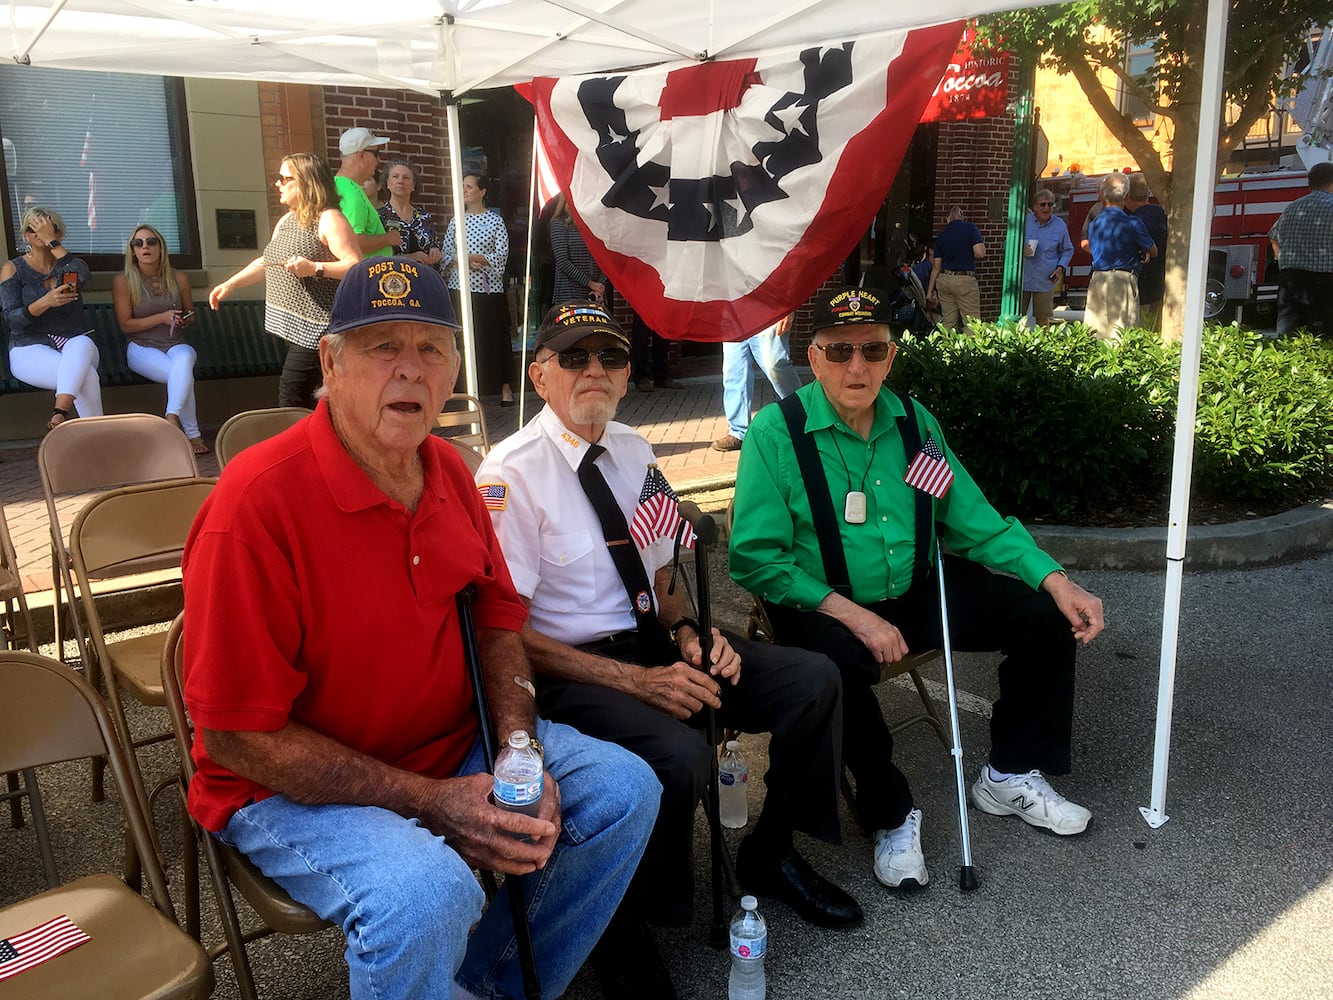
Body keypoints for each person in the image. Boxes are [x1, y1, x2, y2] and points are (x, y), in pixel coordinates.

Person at [182, 258, 658, 1000]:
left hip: (449, 739)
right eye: (381, 347)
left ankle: (480, 987)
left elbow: (499, 620)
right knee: (426, 895)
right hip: (285, 789)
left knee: (623, 791)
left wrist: (517, 746)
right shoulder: (255, 504)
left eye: (430, 349)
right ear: (330, 363)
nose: (410, 370)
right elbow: (238, 736)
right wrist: (430, 800)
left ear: (454, 369)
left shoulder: (448, 470)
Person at [476, 301, 857, 998]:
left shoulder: (633, 448)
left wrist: (693, 634)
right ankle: (620, 920)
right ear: (539, 376)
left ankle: (770, 855)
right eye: (574, 357)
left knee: (811, 678)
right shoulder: (509, 474)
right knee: (675, 754)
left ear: (626, 376)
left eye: (611, 358)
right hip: (569, 667)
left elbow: (659, 576)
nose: (595, 370)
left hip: (652, 640)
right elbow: (506, 634)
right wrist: (634, 682)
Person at [729, 286, 1105, 891]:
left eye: (873, 350)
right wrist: (853, 615)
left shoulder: (912, 421)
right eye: (842, 350)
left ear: (891, 355)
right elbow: (753, 559)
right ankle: (891, 813)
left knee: (1042, 616)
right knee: (836, 665)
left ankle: (1008, 773)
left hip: (913, 585)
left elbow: (972, 519)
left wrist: (1056, 579)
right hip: (820, 599)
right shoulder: (777, 433)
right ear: (816, 357)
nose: (858, 366)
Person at [208, 152, 362, 407]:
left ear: (306, 182)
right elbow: (268, 262)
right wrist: (231, 284)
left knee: (292, 399)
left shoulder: (329, 219)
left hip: (319, 330)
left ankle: (301, 445)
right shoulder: (288, 220)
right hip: (292, 329)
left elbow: (355, 265)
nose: (277, 184)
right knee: (317, 403)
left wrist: (315, 267)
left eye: (283, 178)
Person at [0, 206, 102, 428]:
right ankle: (97, 436)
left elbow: (83, 275)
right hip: (29, 347)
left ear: (59, 233)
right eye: (32, 229)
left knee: (82, 342)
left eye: (47, 228)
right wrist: (45, 302)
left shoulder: (68, 266)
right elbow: (13, 320)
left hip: (75, 346)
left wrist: (52, 243)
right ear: (26, 235)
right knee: (87, 376)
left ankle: (60, 413)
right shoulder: (13, 269)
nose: (39, 234)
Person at [112, 224, 205, 453]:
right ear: (132, 251)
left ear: (161, 248)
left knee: (184, 360)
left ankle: (171, 417)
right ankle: (193, 435)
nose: (145, 247)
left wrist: (184, 318)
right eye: (138, 243)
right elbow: (126, 325)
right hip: (141, 347)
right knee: (182, 376)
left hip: (175, 343)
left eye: (151, 242)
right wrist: (161, 318)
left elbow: (191, 314)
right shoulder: (123, 281)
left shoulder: (178, 278)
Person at [442, 173, 515, 405]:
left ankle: (505, 388)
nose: (464, 190)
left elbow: (502, 255)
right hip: (460, 287)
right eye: (462, 186)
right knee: (462, 339)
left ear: (482, 192)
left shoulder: (495, 221)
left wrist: (478, 258)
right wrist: (459, 260)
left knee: (495, 337)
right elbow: (446, 253)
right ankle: (464, 390)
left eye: (469, 186)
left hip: (488, 290)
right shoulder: (456, 221)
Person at [712, 313, 801, 452]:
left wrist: (788, 311)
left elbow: (791, 289)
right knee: (734, 372)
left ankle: (801, 414)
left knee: (775, 366)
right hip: (734, 315)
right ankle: (737, 432)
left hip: (768, 311)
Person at [1085, 173, 1156, 341]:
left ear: (1103, 194)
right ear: (1126, 195)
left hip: (1097, 279)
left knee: (1096, 334)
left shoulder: (1095, 224)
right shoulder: (1132, 222)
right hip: (1123, 279)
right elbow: (1153, 250)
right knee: (1121, 334)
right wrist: (1143, 252)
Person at [1267, 160, 1333, 339]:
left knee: (1289, 334)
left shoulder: (1292, 208)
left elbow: (1273, 236)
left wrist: (1281, 260)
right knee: (1323, 335)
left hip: (1291, 279)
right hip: (1326, 280)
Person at [335, 126, 398, 259]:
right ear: (361, 155)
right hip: (366, 275)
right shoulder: (351, 193)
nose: (379, 160)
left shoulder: (340, 185)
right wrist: (388, 239)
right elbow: (353, 241)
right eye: (376, 153)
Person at [926, 206, 985, 331]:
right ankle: (970, 350)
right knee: (972, 324)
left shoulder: (942, 236)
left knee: (948, 321)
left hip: (944, 280)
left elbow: (936, 267)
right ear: (962, 216)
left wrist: (929, 291)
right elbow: (980, 253)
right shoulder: (971, 229)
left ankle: (945, 348)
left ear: (948, 218)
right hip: (964, 280)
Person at [1021, 189, 1074, 327]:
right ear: (1035, 207)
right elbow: (1007, 243)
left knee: (1043, 320)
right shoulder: (1024, 222)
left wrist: (1060, 268)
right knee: (1017, 319)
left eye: (1050, 204)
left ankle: (1042, 346)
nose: (1047, 208)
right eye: (1043, 204)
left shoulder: (1059, 225)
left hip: (1045, 280)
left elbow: (1068, 249)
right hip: (1022, 279)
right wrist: (1020, 248)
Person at [377, 159, 442, 269]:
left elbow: (435, 245)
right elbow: (377, 255)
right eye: (395, 176)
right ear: (387, 183)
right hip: (393, 279)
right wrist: (409, 257)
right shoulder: (380, 216)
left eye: (406, 178)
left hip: (424, 278)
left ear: (413, 186)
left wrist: (435, 252)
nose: (400, 181)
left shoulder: (424, 216)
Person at [1126, 174, 1168, 331]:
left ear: (1128, 195)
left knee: (1140, 328)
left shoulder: (1133, 220)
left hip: (1142, 283)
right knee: (1157, 327)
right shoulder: (1163, 213)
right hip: (1162, 280)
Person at [629, 312, 682, 393]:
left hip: (661, 301)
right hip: (642, 301)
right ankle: (641, 377)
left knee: (663, 332)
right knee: (641, 334)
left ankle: (661, 376)